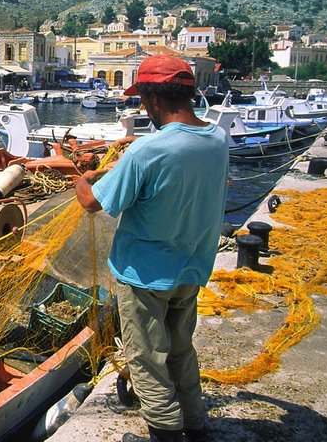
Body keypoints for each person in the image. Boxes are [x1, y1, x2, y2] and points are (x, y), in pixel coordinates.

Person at [75, 55, 229, 442]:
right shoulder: (217, 140)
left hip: (144, 275)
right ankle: (195, 427)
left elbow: (93, 203)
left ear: (154, 100)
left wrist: (82, 176)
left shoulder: (147, 152)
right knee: (180, 351)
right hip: (191, 269)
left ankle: (165, 434)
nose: (143, 108)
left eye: (143, 100)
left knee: (146, 359)